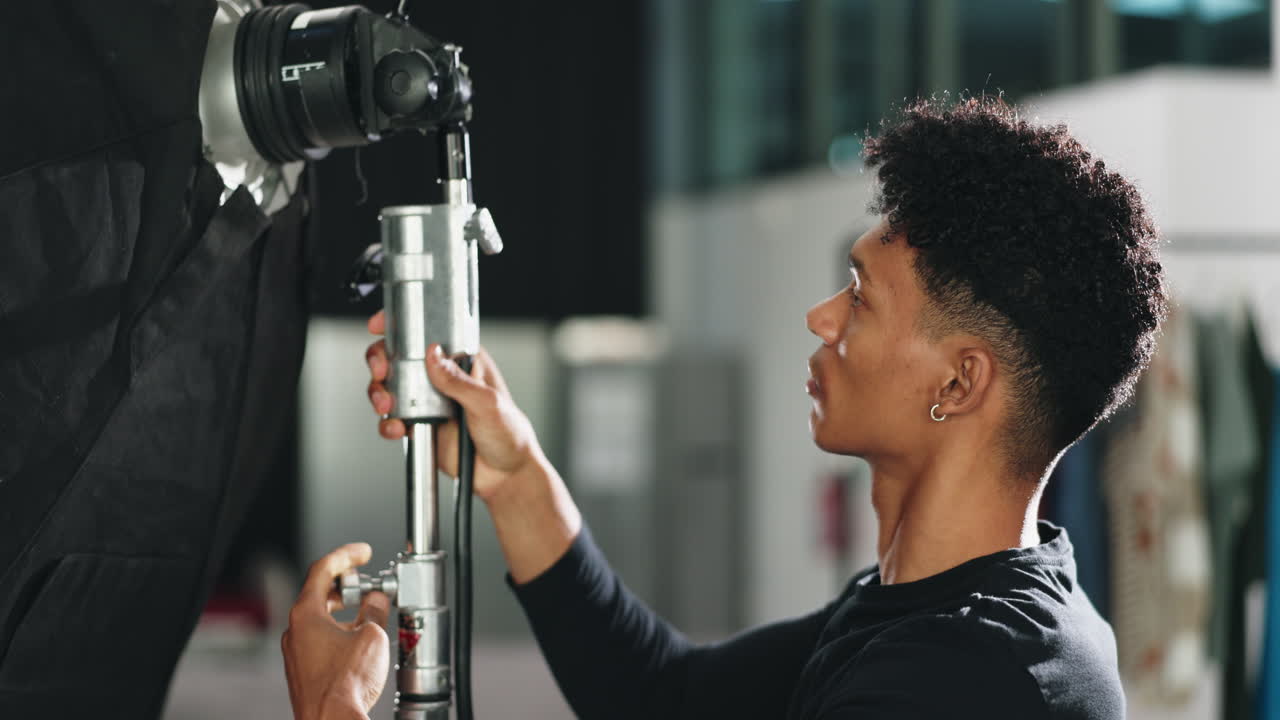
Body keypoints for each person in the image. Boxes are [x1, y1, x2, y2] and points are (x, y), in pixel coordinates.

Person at [282, 97, 1167, 719]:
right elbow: (664, 699)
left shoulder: (966, 683)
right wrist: (514, 473)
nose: (821, 317)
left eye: (860, 297)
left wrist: (334, 708)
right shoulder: (925, 611)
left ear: (959, 384)